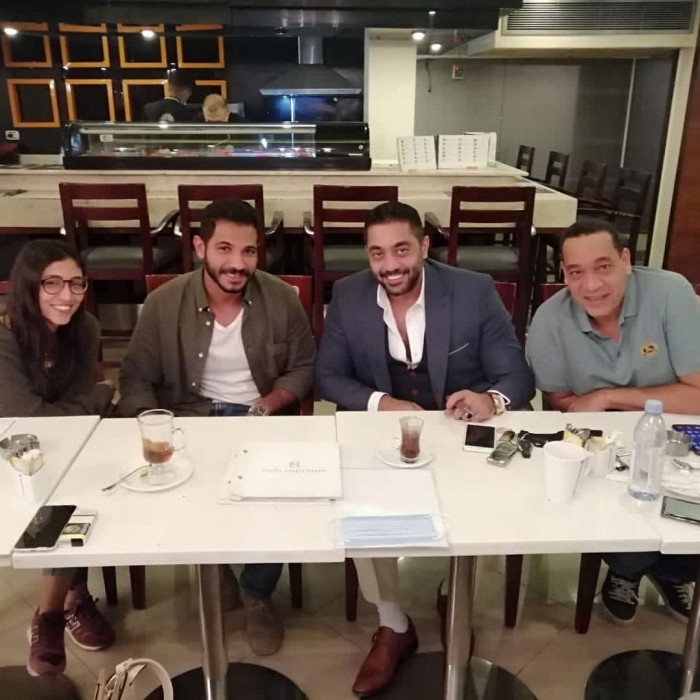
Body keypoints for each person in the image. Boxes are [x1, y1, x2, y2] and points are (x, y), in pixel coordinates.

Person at [315, 201, 535, 697]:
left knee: (485, 506)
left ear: (424, 246)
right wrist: (382, 402)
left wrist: (490, 398)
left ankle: (453, 592)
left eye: (401, 250)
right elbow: (327, 375)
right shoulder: (348, 294)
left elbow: (517, 375)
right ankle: (393, 622)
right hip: (382, 432)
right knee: (361, 511)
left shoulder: (473, 291)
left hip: (457, 430)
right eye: (377, 253)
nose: (390, 265)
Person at [119, 198, 315, 656]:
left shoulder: (281, 299)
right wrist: (156, 430)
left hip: (260, 418)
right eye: (225, 248)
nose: (238, 263)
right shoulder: (163, 304)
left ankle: (257, 593)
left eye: (249, 251)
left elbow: (304, 367)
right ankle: (216, 566)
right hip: (189, 419)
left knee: (277, 499)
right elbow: (135, 378)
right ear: (199, 247)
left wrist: (269, 404)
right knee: (185, 488)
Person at [527, 218, 700, 626]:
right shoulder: (550, 320)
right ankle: (625, 571)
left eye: (603, 267)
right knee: (607, 493)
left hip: (678, 435)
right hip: (604, 441)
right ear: (563, 273)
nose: (591, 286)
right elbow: (563, 403)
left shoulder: (671, 293)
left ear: (625, 260)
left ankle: (675, 571)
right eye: (576, 272)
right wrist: (650, 402)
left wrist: (608, 396)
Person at [0, 240, 116, 676]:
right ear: (28, 286)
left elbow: (72, 422)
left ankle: (65, 600)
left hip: (59, 443)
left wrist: (88, 404)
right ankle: (57, 609)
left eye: (76, 283)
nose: (67, 295)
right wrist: (101, 396)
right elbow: (24, 420)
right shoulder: (4, 337)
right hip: (8, 444)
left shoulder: (85, 329)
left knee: (86, 477)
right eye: (52, 283)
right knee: (60, 486)